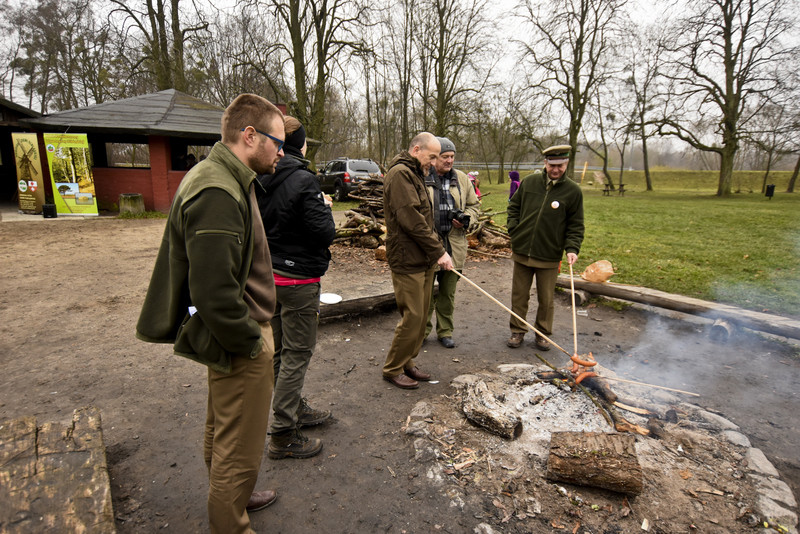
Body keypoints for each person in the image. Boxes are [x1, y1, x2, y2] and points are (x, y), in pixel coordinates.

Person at [136, 94, 285, 533]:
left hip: (239, 332)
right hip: (241, 335)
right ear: (250, 135)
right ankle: (231, 519)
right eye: (278, 142)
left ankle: (233, 496)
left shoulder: (225, 176)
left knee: (225, 427)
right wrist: (251, 342)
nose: (283, 152)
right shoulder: (218, 189)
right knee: (238, 444)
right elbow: (215, 293)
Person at [255, 115, 335, 460]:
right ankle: (283, 432)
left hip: (268, 276)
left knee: (280, 352)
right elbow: (323, 232)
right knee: (297, 353)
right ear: (297, 144)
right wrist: (325, 208)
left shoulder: (258, 175)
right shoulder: (303, 180)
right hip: (298, 280)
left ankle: (293, 407)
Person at [382, 132, 453, 389]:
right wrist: (439, 252)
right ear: (416, 149)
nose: (434, 162)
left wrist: (435, 252)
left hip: (423, 259)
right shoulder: (400, 174)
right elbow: (411, 220)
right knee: (412, 317)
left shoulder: (417, 174)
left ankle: (407, 362)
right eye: (431, 156)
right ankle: (392, 368)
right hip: (407, 259)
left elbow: (427, 218)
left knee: (422, 317)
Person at [506, 145, 584, 351]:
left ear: (566, 164)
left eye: (560, 165)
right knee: (519, 295)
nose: (556, 169)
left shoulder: (573, 191)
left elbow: (576, 224)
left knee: (546, 299)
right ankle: (517, 330)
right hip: (523, 250)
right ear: (545, 163)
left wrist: (572, 248)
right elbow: (513, 206)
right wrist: (514, 229)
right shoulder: (529, 183)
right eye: (552, 165)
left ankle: (542, 333)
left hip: (549, 254)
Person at [423, 137, 480, 348]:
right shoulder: (422, 177)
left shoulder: (462, 179)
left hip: (454, 246)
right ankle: (422, 332)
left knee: (448, 293)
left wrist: (467, 219)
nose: (449, 161)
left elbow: (474, 206)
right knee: (425, 295)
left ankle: (445, 331)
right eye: (445, 157)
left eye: (452, 157)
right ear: (434, 157)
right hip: (429, 247)